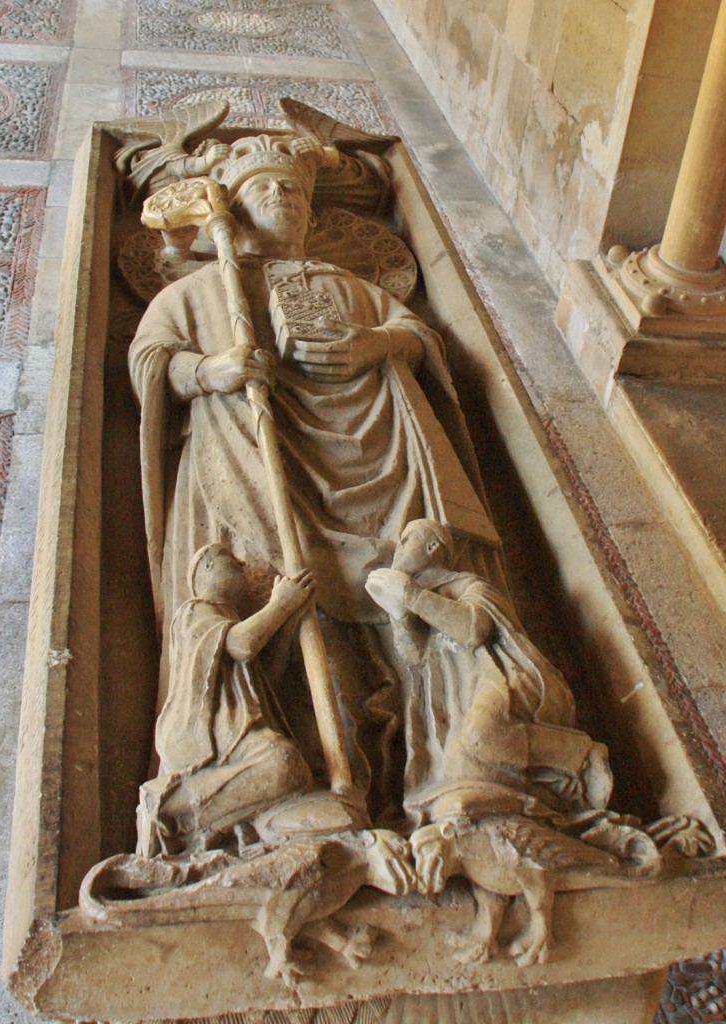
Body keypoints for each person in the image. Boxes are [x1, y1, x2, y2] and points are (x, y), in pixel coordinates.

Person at [129, 131, 503, 817]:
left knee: (390, 600)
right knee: (288, 596)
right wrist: (212, 370)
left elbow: (420, 339)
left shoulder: (349, 286)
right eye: (267, 189)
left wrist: (374, 343)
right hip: (249, 462)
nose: (285, 199)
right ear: (235, 209)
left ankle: (431, 763)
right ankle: (299, 771)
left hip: (370, 460)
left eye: (296, 191)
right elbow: (152, 360)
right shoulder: (202, 291)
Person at [366, 519, 614, 825]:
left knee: (480, 738)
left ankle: (579, 754)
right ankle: (547, 798)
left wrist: (411, 595)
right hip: (465, 696)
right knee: (463, 770)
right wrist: (399, 614)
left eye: (406, 540)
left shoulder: (469, 585)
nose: (398, 548)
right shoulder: (421, 598)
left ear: (432, 547)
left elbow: (474, 629)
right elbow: (415, 656)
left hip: (506, 679)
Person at [137, 543, 316, 856]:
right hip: (210, 737)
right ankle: (169, 810)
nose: (241, 562)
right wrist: (280, 606)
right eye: (229, 559)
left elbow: (265, 680)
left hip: (238, 732)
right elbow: (241, 644)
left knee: (290, 768)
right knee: (284, 765)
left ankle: (199, 821)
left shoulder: (231, 619)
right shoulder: (195, 611)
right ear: (206, 567)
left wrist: (290, 620)